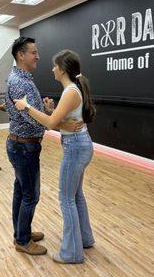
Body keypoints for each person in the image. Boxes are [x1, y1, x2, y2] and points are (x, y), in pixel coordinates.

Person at [14, 49, 96, 264]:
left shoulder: (70, 91)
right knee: (76, 196)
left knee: (66, 199)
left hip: (75, 147)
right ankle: (85, 239)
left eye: (54, 66)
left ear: (62, 69)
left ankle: (72, 254)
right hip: (80, 144)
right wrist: (51, 110)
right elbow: (59, 120)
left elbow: (51, 124)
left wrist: (27, 106)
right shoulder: (73, 89)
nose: (51, 69)